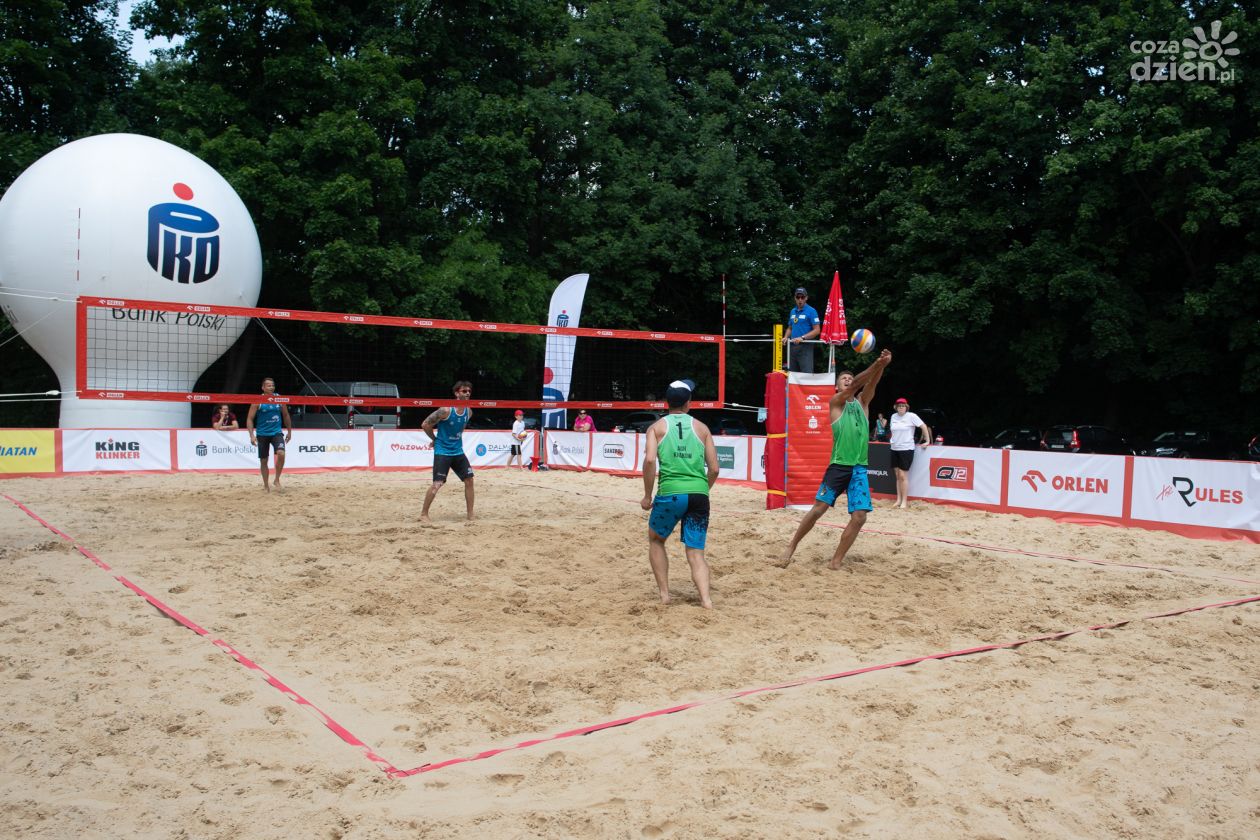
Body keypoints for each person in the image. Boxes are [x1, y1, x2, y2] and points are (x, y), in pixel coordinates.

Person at [777, 349, 891, 569]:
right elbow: (858, 383)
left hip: (858, 468)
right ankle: (791, 546)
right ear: (837, 388)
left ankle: (836, 561)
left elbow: (869, 386)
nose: (848, 380)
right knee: (818, 509)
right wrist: (876, 364)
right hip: (839, 466)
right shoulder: (836, 403)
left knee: (860, 517)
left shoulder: (862, 405)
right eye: (844, 379)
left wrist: (883, 365)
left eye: (849, 378)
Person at [640, 379, 720, 608]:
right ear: (688, 403)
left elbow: (649, 460)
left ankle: (665, 595)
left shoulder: (656, 428)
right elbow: (714, 468)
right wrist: (703, 489)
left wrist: (647, 496)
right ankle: (706, 600)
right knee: (696, 552)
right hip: (698, 495)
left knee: (656, 540)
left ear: (667, 403)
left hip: (670, 494)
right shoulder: (702, 428)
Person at [420, 380, 475, 521]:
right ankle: (423, 514)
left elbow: (461, 429)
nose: (467, 393)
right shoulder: (445, 410)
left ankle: (470, 515)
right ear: (457, 393)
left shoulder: (468, 412)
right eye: (464, 391)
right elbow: (425, 424)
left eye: (469, 391)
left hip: (457, 451)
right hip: (443, 451)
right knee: (438, 483)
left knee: (469, 480)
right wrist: (435, 438)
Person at [246, 377, 292, 492]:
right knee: (264, 460)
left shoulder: (279, 399)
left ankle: (276, 479)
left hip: (276, 432)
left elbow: (286, 416)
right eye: (268, 385)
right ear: (263, 387)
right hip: (262, 434)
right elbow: (250, 419)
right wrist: (251, 435)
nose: (271, 387)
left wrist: (289, 431)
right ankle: (266, 485)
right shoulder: (258, 400)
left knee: (281, 453)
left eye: (272, 385)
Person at [889, 397, 931, 509]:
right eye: (899, 406)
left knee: (903, 475)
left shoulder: (911, 416)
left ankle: (904, 501)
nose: (901, 408)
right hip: (894, 448)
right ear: (896, 407)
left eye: (903, 406)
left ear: (906, 407)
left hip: (906, 449)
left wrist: (927, 441)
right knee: (897, 475)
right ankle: (898, 499)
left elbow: (923, 426)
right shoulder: (893, 416)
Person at [782, 287, 820, 373]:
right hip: (792, 347)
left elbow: (817, 330)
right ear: (795, 298)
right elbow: (790, 328)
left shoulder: (811, 311)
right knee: (792, 375)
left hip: (805, 346)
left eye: (802, 297)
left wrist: (802, 338)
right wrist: (785, 337)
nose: (800, 300)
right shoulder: (793, 311)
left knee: (806, 374)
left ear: (806, 298)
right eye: (798, 297)